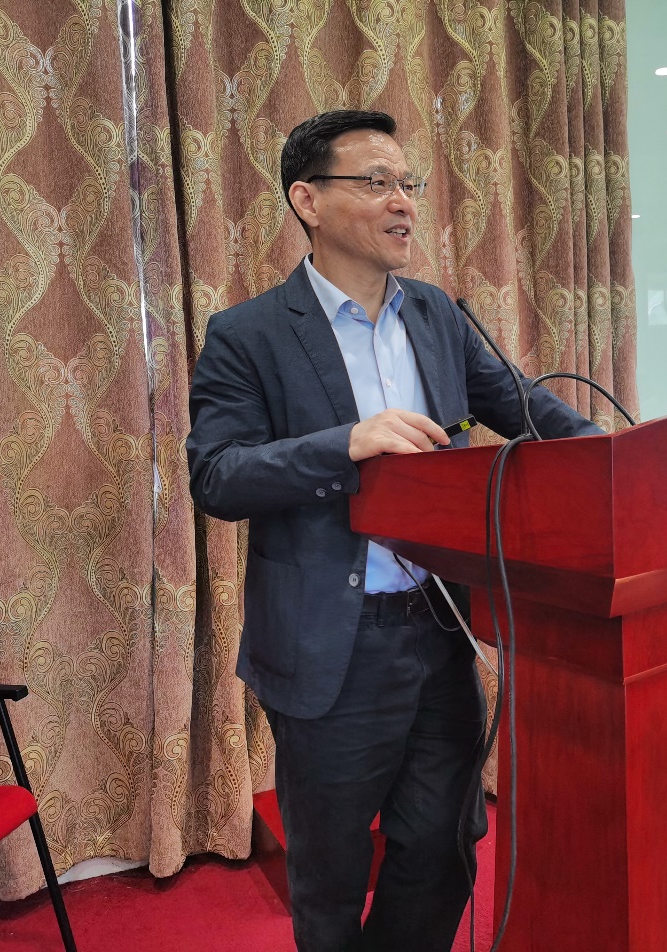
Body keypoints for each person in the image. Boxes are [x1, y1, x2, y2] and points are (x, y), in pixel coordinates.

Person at [186, 109, 602, 952]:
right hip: (332, 646)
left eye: (409, 184)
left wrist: (616, 455)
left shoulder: (437, 316)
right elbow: (218, 476)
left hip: (439, 629)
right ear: (307, 200)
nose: (404, 201)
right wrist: (345, 444)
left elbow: (525, 405)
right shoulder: (249, 334)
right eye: (376, 183)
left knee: (444, 847)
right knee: (333, 874)